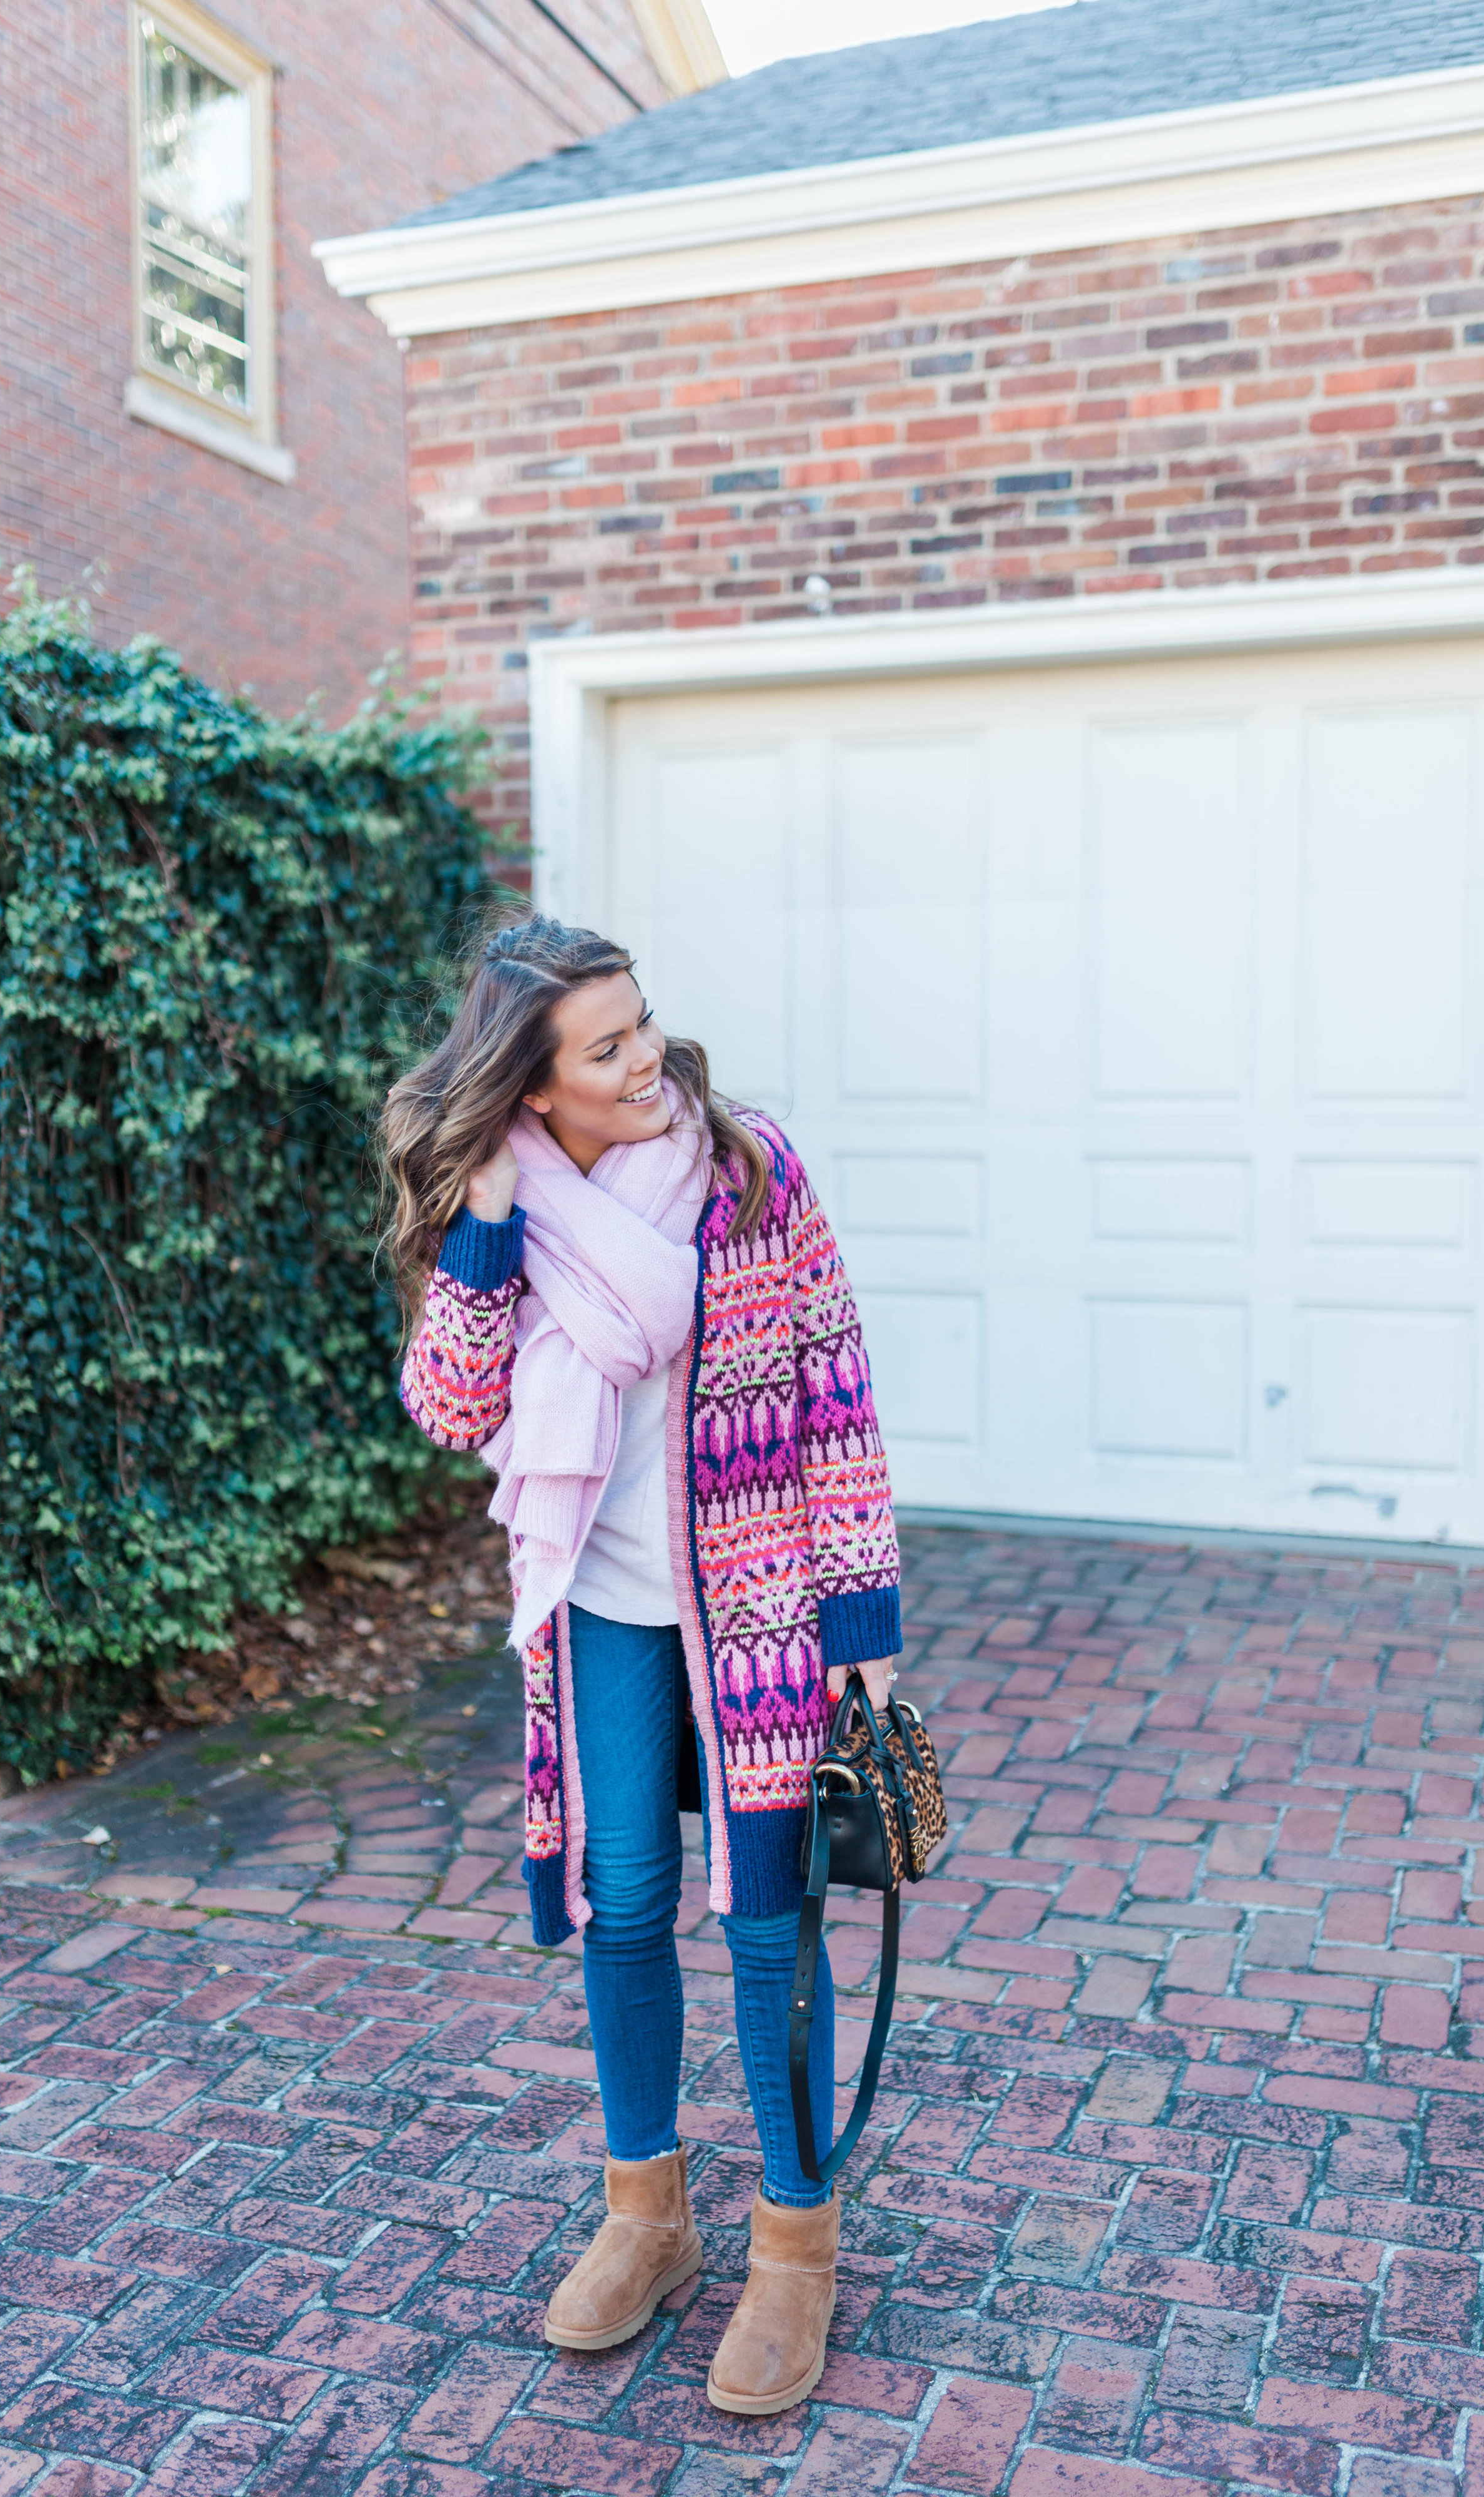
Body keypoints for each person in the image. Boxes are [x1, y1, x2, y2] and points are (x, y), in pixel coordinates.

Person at [379, 915, 902, 2418]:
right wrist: (480, 1222)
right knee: (626, 1901)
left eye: (641, 1021)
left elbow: (836, 1380)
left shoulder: (748, 1172)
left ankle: (794, 2245)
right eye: (603, 1046)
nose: (645, 1056)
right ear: (530, 1086)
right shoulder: (517, 1204)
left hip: (759, 1603)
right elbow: (454, 1402)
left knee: (765, 1915)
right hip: (597, 1606)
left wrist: (858, 1622)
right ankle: (645, 2216)